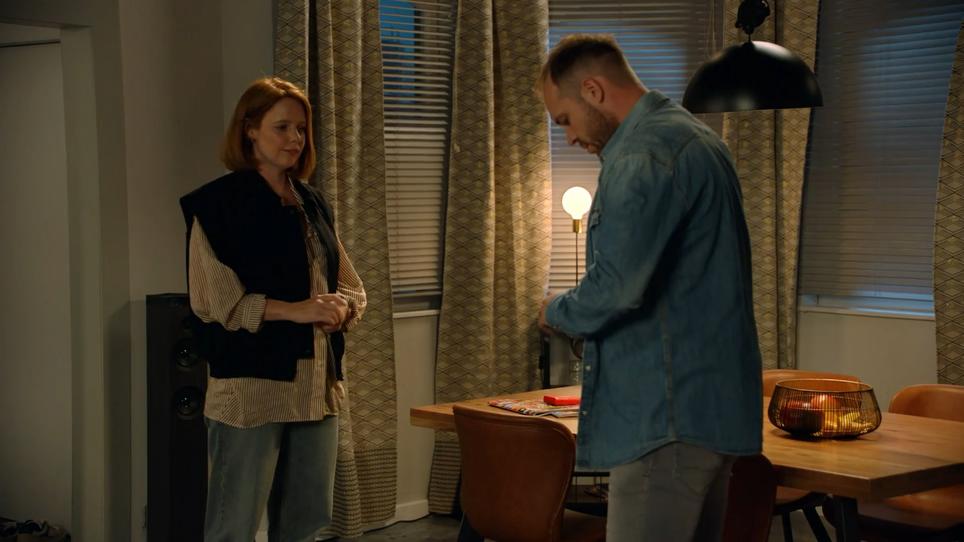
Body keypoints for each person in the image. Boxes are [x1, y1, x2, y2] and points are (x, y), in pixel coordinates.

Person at [537, 35, 762, 541]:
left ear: (593, 90)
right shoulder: (697, 139)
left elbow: (617, 287)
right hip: (710, 409)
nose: (568, 137)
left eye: (565, 120)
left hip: (665, 417)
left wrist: (556, 310)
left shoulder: (643, 155)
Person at [179, 77, 366, 542]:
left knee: (304, 526)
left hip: (316, 387)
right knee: (233, 528)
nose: (295, 139)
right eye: (282, 127)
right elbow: (216, 303)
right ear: (249, 130)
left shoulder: (311, 201)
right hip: (250, 391)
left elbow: (349, 284)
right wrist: (295, 310)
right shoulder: (217, 205)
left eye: (301, 129)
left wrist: (343, 309)